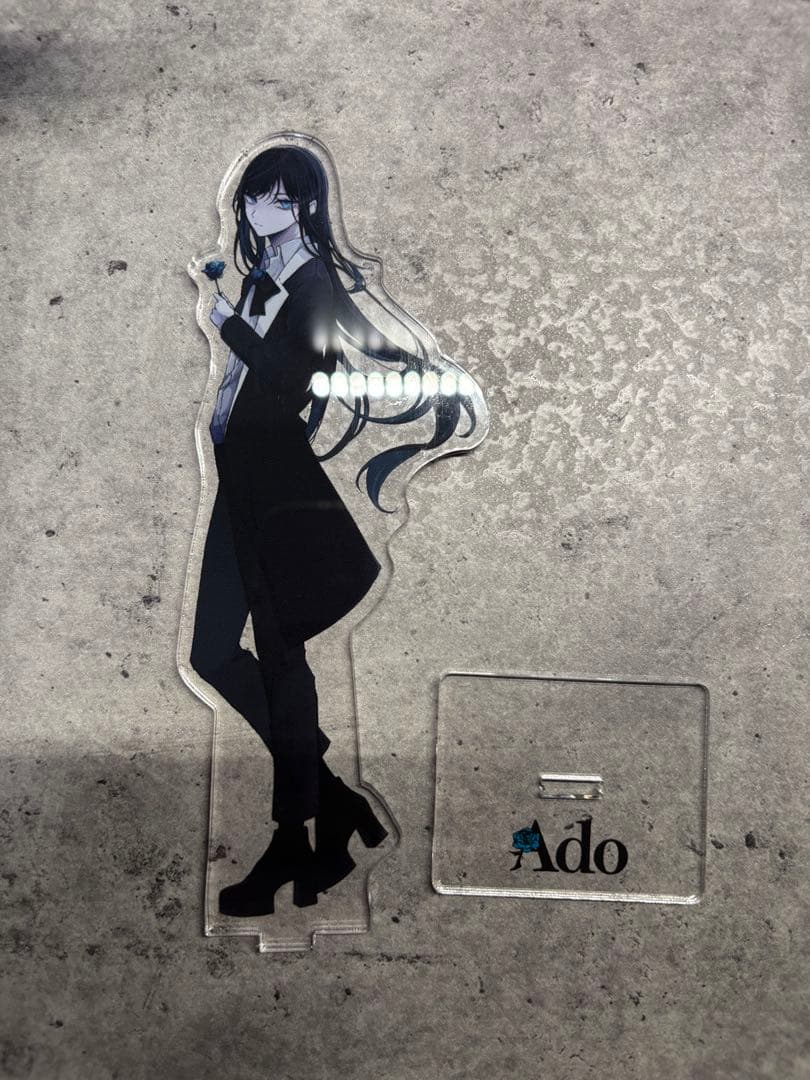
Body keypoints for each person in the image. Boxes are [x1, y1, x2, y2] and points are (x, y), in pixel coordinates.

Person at [189, 143, 479, 917]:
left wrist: (229, 326)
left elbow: (293, 381)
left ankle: (296, 838)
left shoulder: (311, 283)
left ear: (309, 207)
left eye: (281, 199)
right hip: (241, 481)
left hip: (277, 486)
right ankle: (337, 802)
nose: (263, 211)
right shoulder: (264, 277)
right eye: (255, 198)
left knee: (283, 658)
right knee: (212, 652)